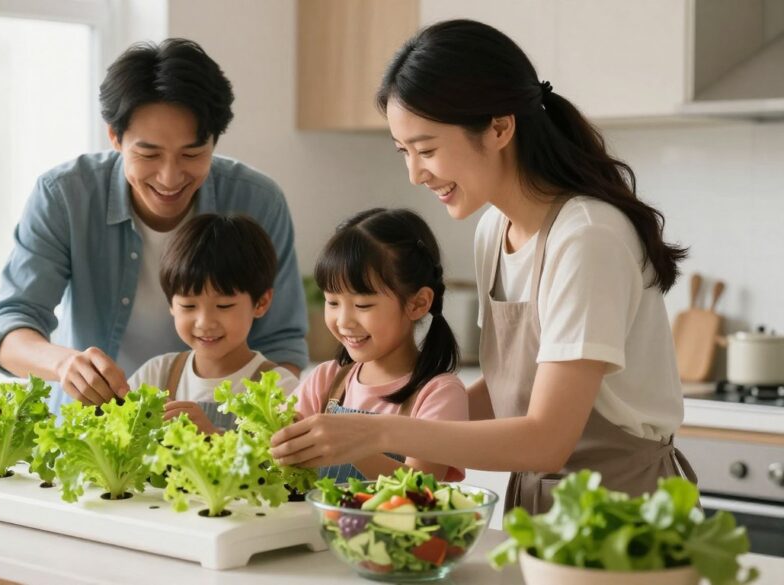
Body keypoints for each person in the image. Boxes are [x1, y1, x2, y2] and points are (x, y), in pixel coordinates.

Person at [271, 19, 695, 512]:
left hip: (623, 509)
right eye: (403, 152)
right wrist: (395, 409)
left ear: (499, 127)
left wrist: (378, 430)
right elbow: (506, 390)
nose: (414, 173)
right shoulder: (494, 231)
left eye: (426, 149)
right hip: (538, 502)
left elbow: (547, 440)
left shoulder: (587, 238)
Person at [0, 39, 307, 415]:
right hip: (93, 429)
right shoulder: (65, 196)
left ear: (215, 141)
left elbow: (282, 343)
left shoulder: (257, 201)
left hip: (217, 436)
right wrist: (63, 364)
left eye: (192, 154)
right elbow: (8, 325)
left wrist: (232, 427)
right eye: (148, 154)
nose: (170, 178)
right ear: (115, 138)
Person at [293, 208, 467, 483]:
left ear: (418, 303)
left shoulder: (438, 393)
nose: (344, 321)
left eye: (363, 305)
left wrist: (352, 447)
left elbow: (422, 489)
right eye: (333, 302)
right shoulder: (325, 381)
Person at [127, 213, 299, 433]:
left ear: (261, 303)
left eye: (224, 306)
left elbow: (281, 466)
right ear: (170, 303)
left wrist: (214, 437)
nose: (205, 322)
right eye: (189, 306)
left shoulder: (281, 389)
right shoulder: (157, 374)